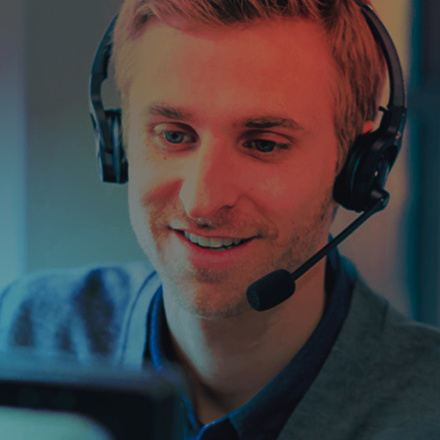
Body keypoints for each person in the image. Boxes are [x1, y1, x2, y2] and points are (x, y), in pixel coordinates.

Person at [1, 0, 440, 438]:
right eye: (174, 135)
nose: (203, 202)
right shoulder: (18, 332)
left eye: (264, 144)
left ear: (357, 167)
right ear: (117, 141)